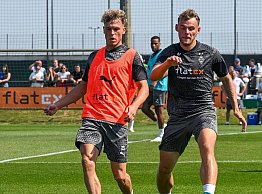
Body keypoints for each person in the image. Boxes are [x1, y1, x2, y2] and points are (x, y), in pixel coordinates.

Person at [44, 9, 148, 194]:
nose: (112, 33)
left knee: (120, 175)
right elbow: (82, 87)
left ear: (124, 29)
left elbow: (144, 87)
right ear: (104, 30)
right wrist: (58, 104)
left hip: (117, 121)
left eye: (116, 28)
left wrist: (133, 106)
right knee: (87, 160)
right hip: (92, 118)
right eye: (108, 29)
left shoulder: (133, 56)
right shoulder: (94, 57)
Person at [150, 9, 247, 194]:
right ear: (177, 28)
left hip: (204, 111)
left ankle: (208, 192)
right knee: (164, 170)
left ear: (198, 30)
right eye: (184, 28)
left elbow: (226, 79)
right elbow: (153, 77)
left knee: (206, 147)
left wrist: (236, 108)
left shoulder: (211, 54)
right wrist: (167, 64)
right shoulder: (168, 52)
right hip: (178, 116)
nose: (187, 32)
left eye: (191, 29)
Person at [141, 35, 168, 142]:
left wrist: (156, 81)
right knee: (145, 108)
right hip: (151, 87)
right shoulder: (152, 56)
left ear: (159, 44)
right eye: (152, 43)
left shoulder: (162, 55)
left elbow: (165, 69)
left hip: (160, 86)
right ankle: (163, 125)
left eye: (155, 43)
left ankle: (161, 134)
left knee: (159, 109)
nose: (153, 45)